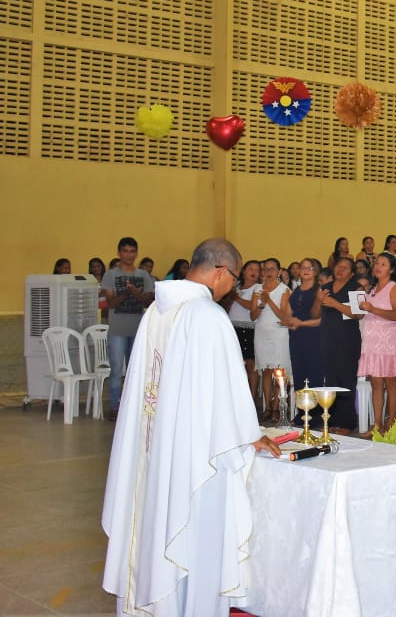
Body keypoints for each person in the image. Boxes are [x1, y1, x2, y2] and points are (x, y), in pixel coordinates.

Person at [101, 238, 281, 616]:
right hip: (195, 457)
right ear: (220, 271)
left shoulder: (155, 312)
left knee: (152, 526)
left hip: (153, 448)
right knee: (193, 538)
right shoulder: (207, 316)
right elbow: (226, 392)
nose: (231, 287)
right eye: (233, 278)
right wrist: (250, 435)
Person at [101, 237, 155, 419]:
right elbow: (111, 302)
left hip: (137, 329)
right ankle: (115, 406)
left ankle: (133, 405)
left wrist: (136, 293)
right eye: (125, 251)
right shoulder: (110, 275)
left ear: (136, 253)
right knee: (116, 369)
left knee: (136, 369)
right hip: (117, 329)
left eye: (132, 251)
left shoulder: (143, 275)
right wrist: (125, 292)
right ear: (119, 253)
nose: (129, 255)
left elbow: (148, 301)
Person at [312, 257, 362, 430]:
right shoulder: (325, 288)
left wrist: (335, 304)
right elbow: (314, 314)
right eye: (338, 266)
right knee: (331, 380)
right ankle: (332, 420)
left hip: (348, 339)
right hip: (327, 339)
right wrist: (319, 300)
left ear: (352, 272)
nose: (340, 269)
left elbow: (359, 314)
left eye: (345, 267)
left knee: (346, 379)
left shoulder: (356, 287)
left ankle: (347, 423)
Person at [360, 253, 396, 434]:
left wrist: (373, 309)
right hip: (371, 340)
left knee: (390, 383)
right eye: (377, 263)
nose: (378, 266)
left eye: (383, 264)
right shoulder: (372, 289)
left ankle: (391, 423)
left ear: (392, 269)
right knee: (376, 384)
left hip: (388, 340)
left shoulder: (395, 288)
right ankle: (377, 424)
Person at [250, 258, 292, 422]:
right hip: (261, 332)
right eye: (266, 269)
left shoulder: (284, 290)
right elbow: (252, 316)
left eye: (272, 269)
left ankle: (277, 407)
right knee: (265, 371)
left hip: (278, 333)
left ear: (279, 271)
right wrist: (261, 305)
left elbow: (283, 315)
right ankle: (267, 406)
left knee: (278, 370)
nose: (268, 272)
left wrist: (269, 301)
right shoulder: (257, 289)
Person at [284, 258, 322, 416]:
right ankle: (302, 414)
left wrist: (301, 323)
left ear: (315, 271)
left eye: (310, 268)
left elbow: (322, 320)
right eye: (303, 267)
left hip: (313, 337)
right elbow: (288, 313)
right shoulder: (296, 290)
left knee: (313, 375)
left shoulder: (318, 290)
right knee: (299, 375)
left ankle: (315, 416)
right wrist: (289, 321)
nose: (306, 270)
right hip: (296, 338)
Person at [223, 260, 260, 407]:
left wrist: (236, 298)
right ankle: (238, 396)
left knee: (251, 363)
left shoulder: (257, 288)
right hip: (234, 326)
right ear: (243, 271)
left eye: (257, 270)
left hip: (249, 327)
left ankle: (251, 397)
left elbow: (251, 306)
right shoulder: (236, 286)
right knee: (237, 363)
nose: (253, 271)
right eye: (250, 268)